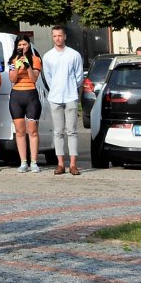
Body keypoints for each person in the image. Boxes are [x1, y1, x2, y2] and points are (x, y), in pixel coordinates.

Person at [40, 26, 84, 177]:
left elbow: (79, 76)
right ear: (52, 38)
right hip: (55, 97)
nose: (57, 38)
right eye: (55, 36)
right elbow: (48, 76)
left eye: (60, 35)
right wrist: (56, 89)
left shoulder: (74, 55)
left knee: (71, 131)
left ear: (65, 37)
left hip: (70, 95)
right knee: (58, 131)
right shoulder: (48, 56)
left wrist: (71, 87)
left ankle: (73, 164)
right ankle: (60, 163)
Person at [6, 36, 42, 173]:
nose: (22, 47)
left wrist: (27, 66)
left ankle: (34, 161)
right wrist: (17, 66)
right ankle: (23, 162)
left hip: (31, 95)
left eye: (25, 44)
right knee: (20, 131)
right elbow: (12, 79)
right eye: (20, 44)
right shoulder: (12, 60)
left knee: (32, 130)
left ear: (29, 45)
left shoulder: (36, 60)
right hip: (16, 96)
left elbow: (34, 79)